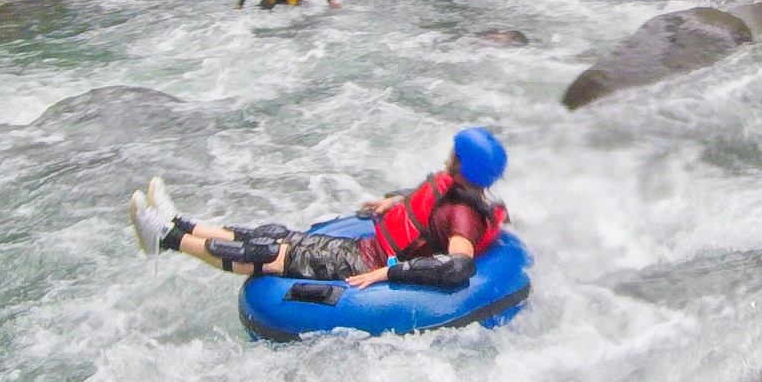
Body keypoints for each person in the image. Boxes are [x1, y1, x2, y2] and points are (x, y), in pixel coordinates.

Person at [128, 128, 508, 289]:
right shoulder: (456, 188)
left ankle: (166, 239)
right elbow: (428, 201)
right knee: (273, 235)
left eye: (454, 154)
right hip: (364, 251)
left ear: (462, 165)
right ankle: (177, 222)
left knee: (266, 254)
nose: (448, 155)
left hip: (370, 265)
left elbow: (458, 265)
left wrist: (385, 277)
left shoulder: (463, 217)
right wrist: (394, 202)